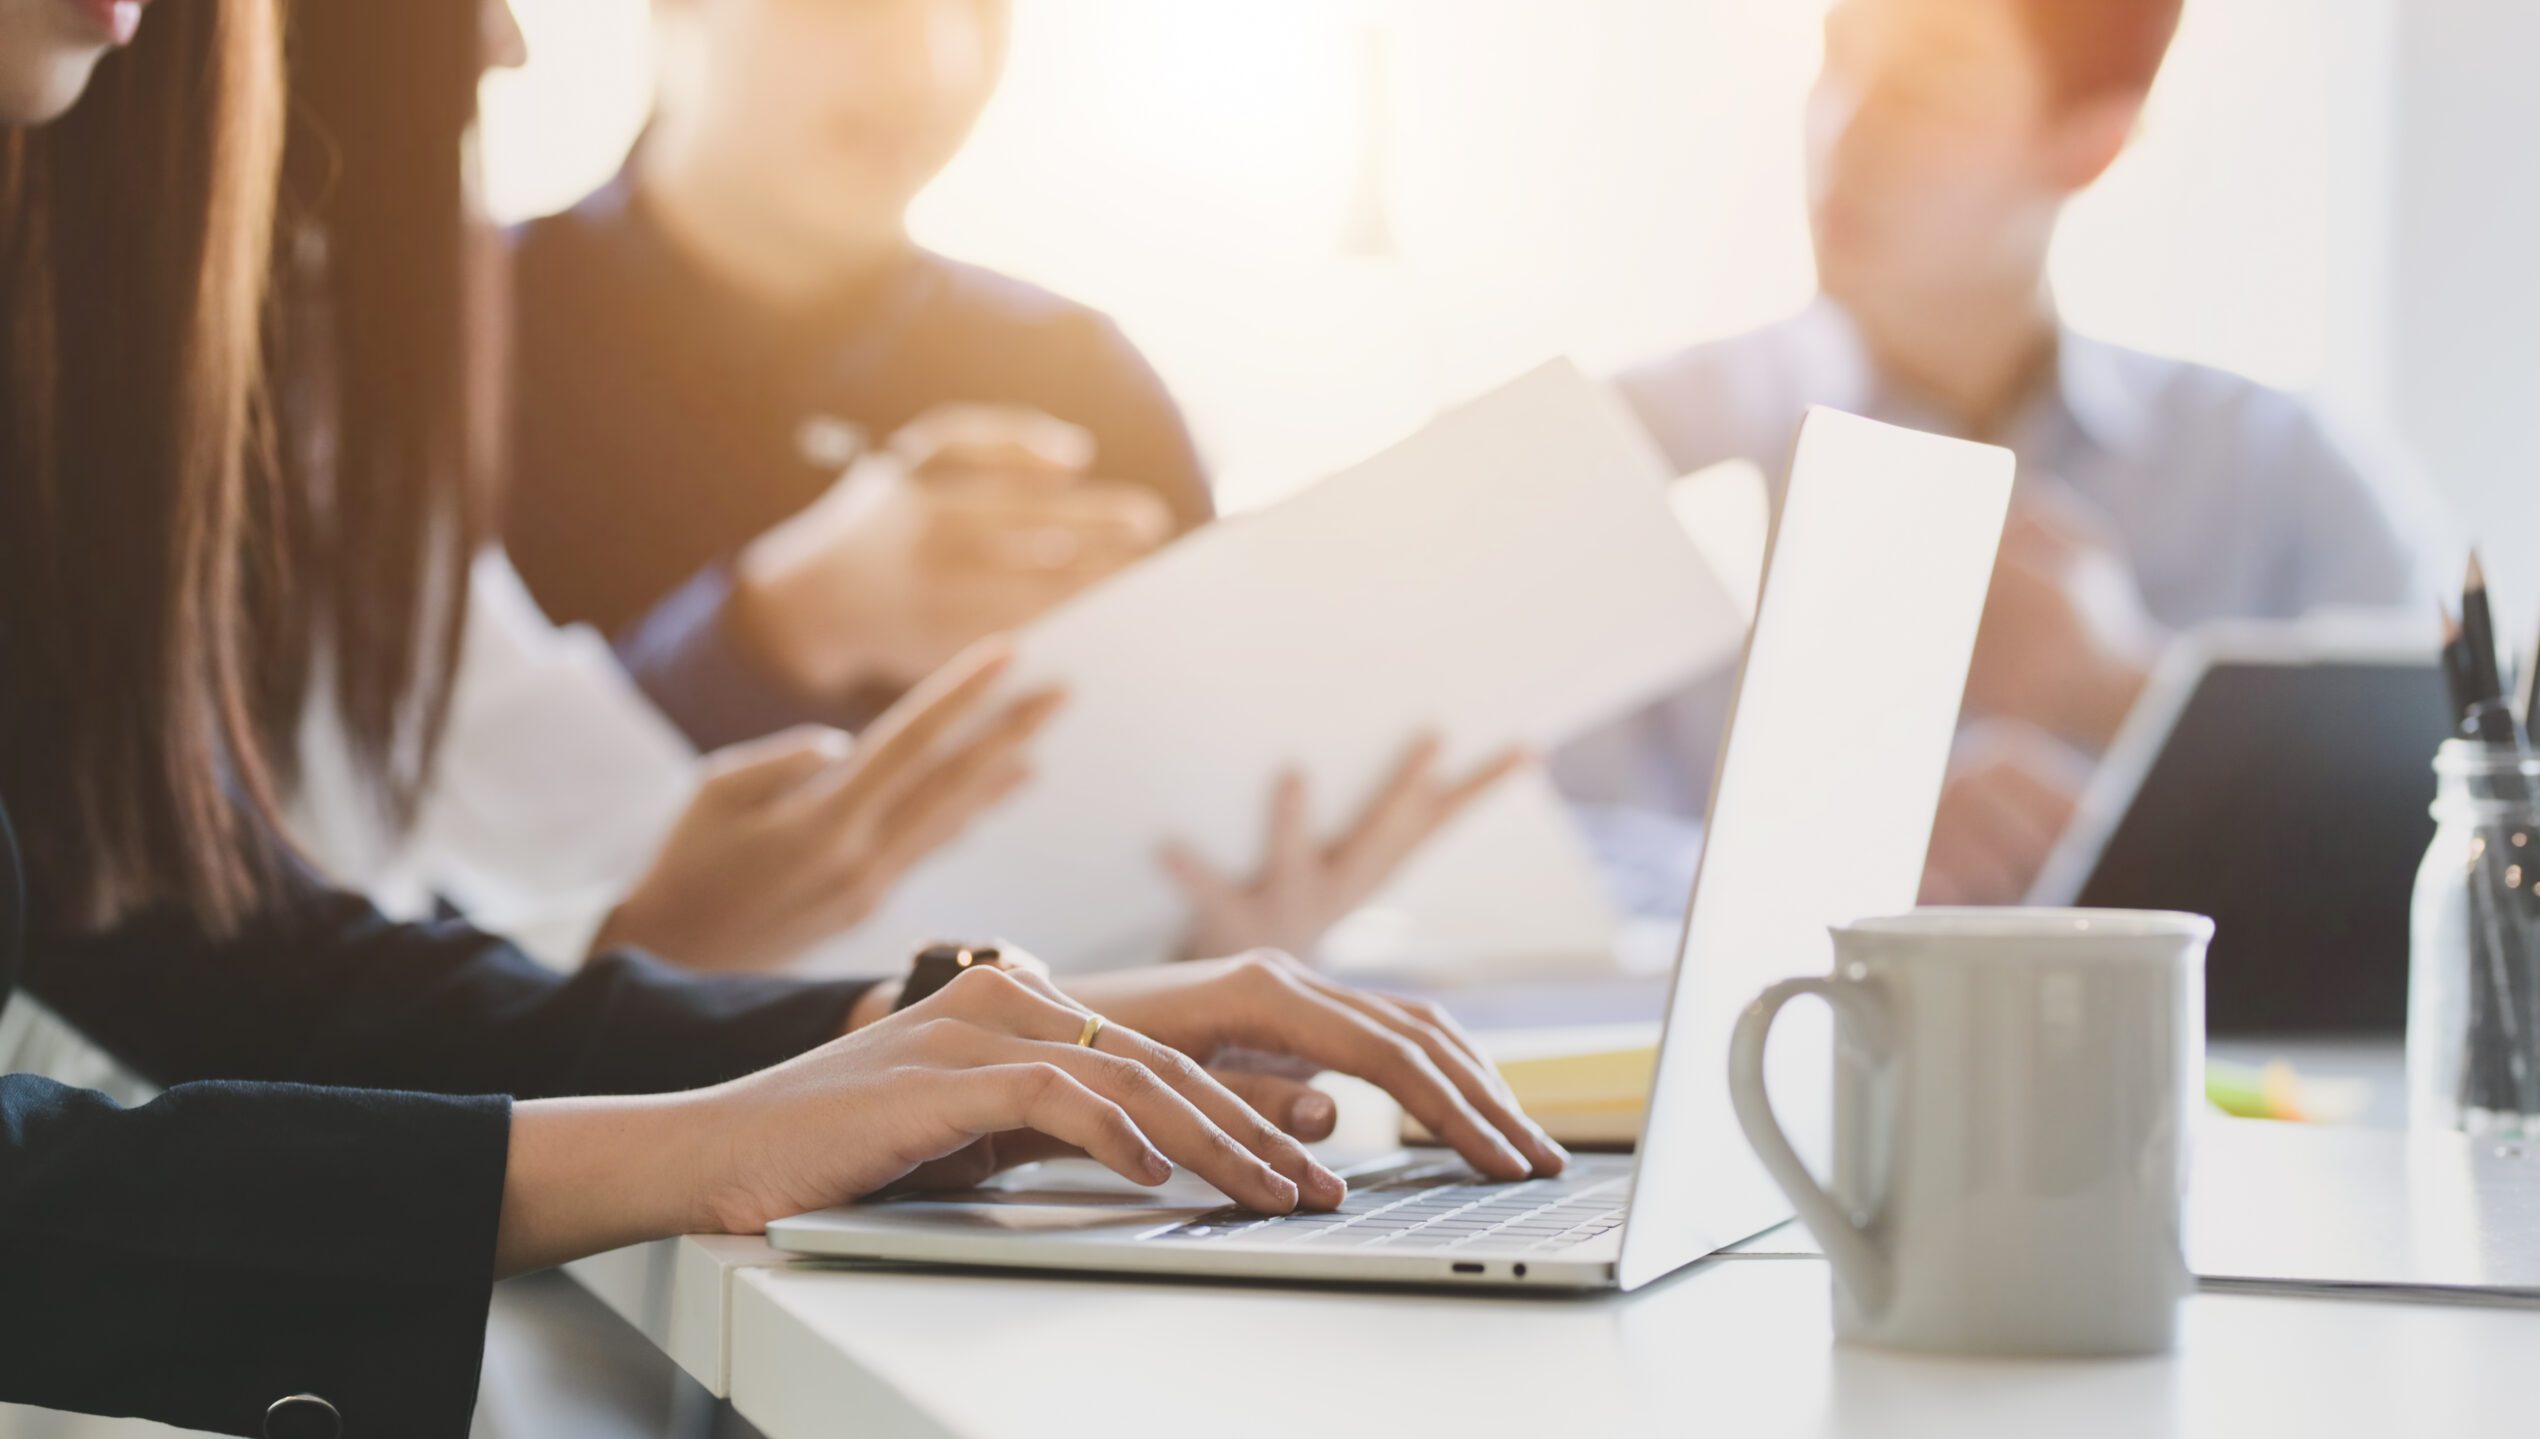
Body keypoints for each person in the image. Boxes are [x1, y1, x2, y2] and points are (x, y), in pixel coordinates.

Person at [0, 4, 1561, 1431]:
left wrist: (883, 1032)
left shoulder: (1081, 363)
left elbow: (221, 948)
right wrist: (691, 1126)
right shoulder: (437, 326)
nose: (508, 49)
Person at [502, 0, 1513, 967]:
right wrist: (781, 626)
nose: (932, 64)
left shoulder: (1080, 373)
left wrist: (1252, 925)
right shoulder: (452, 350)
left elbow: (1202, 797)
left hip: (1043, 1101)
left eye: (979, 5)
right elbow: (422, 844)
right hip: (593, 1102)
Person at [1560, 0, 2453, 905]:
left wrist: (2128, 690)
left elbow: (2462, 821)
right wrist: (1821, 863)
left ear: (2090, 144)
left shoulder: (2283, 471)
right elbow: (1485, 867)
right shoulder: (1625, 451)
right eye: (1835, 60)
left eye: (1919, 89)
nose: (1842, 129)